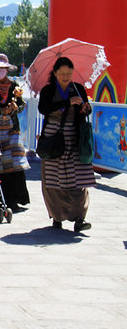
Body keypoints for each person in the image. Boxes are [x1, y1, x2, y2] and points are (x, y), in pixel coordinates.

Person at [38, 57, 95, 232]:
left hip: (74, 138)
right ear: (55, 73)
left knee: (78, 179)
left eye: (68, 74)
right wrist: (66, 102)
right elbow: (43, 109)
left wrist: (86, 109)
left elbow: (83, 110)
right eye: (62, 73)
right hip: (53, 138)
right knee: (54, 180)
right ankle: (57, 216)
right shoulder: (48, 90)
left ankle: (79, 217)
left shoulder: (78, 89)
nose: (65, 77)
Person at [0, 53, 30, 211]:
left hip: (11, 130)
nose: (0, 71)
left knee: (15, 165)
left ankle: (15, 198)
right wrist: (1, 110)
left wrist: (16, 108)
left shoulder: (15, 86)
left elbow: (22, 104)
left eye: (2, 68)